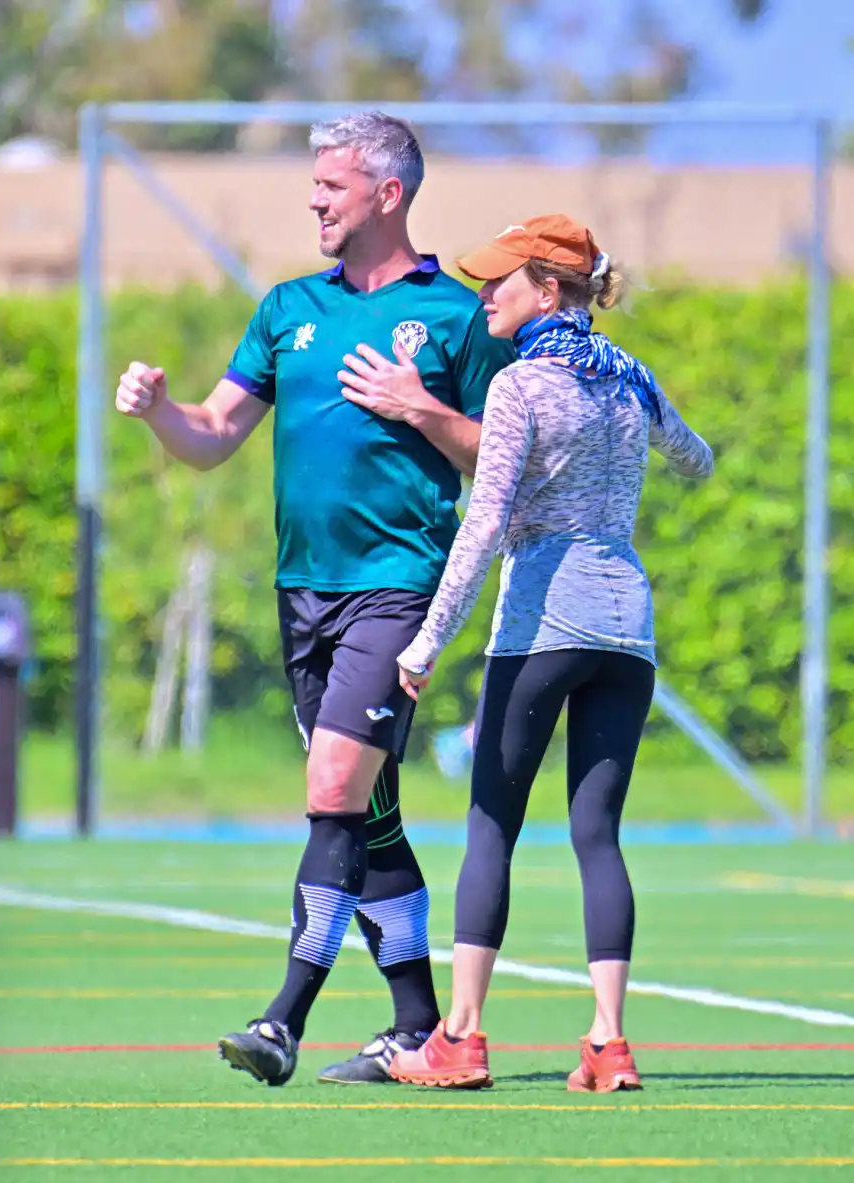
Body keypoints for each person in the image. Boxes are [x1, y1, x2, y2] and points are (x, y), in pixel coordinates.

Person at [114, 111, 513, 1086]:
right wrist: (162, 410)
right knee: (368, 812)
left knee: (334, 790)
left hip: (397, 587)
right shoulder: (287, 307)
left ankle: (282, 1019)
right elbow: (213, 432)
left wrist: (421, 408)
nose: (312, 201)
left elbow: (506, 460)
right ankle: (424, 1032)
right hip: (304, 597)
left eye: (330, 186)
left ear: (387, 193)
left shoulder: (456, 318)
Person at [388, 214, 714, 1092]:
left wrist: (426, 641)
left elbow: (485, 521)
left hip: (540, 623)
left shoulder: (522, 384)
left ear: (548, 288)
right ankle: (609, 1043)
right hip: (627, 628)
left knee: (491, 822)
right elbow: (700, 460)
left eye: (500, 280)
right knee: (596, 834)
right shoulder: (627, 379)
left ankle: (461, 1036)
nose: (486, 294)